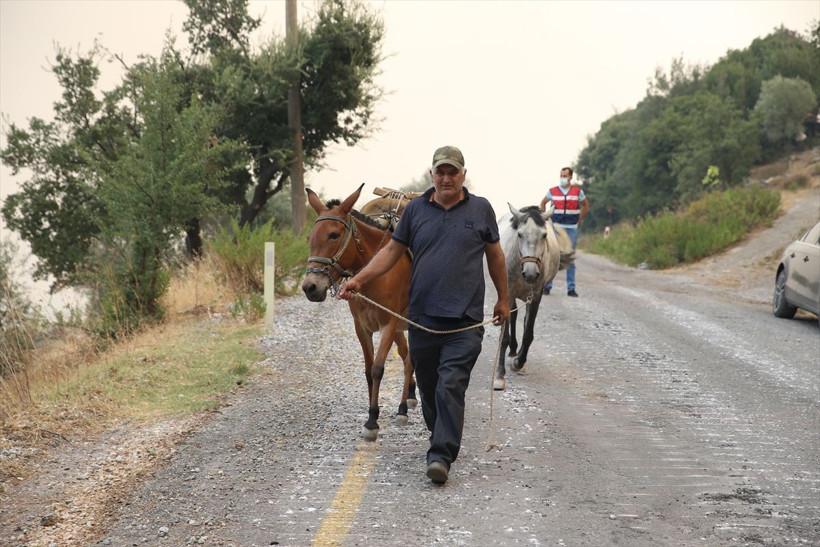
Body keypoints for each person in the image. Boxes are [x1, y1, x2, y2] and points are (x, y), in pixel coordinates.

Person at [338, 145, 510, 485]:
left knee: (450, 385)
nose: (446, 177)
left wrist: (503, 299)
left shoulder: (481, 210)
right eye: (440, 172)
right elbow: (391, 252)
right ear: (432, 175)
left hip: (465, 320)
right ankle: (440, 434)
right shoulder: (416, 211)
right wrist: (358, 279)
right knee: (429, 388)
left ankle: (441, 455)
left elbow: (496, 257)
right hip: (422, 319)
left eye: (453, 172)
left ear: (463, 174)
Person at [540, 167, 589, 297]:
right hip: (556, 227)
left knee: (570, 257)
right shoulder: (553, 191)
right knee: (552, 255)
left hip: (571, 227)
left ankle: (571, 288)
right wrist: (546, 219)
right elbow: (543, 203)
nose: (562, 178)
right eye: (561, 175)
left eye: (565, 175)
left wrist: (579, 220)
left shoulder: (578, 192)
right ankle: (547, 286)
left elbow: (585, 205)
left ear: (570, 177)